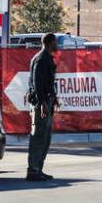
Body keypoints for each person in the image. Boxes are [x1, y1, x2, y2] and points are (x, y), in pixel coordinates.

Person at [26, 33, 60, 181]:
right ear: (50, 42)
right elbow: (38, 84)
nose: (57, 45)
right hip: (41, 104)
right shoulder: (41, 59)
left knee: (45, 138)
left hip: (47, 102)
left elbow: (48, 83)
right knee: (38, 137)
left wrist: (54, 98)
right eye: (55, 42)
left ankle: (38, 169)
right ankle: (33, 170)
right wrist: (43, 104)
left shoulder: (46, 58)